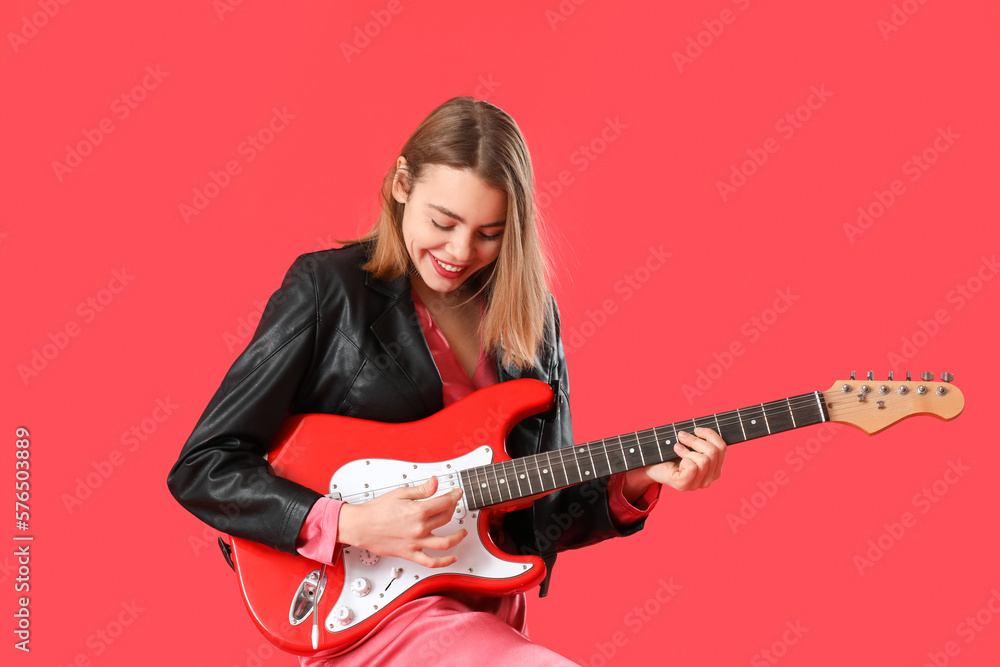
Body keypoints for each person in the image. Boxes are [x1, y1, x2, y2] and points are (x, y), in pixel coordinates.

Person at [167, 96, 726, 666]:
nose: (460, 252)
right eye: (444, 222)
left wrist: (633, 480)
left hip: (490, 611)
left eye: (490, 232)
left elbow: (542, 516)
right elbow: (205, 466)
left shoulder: (532, 318)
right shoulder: (328, 289)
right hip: (373, 614)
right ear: (402, 183)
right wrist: (352, 523)